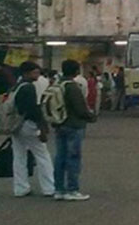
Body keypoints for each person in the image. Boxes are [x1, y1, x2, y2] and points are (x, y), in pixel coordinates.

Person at [53, 59, 96, 201]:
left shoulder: (58, 85)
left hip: (60, 123)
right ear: (77, 71)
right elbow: (80, 108)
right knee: (73, 157)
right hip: (74, 125)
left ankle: (59, 189)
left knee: (60, 157)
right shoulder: (73, 87)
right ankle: (72, 189)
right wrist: (91, 116)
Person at [11, 61, 55, 198]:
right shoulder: (29, 88)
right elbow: (33, 110)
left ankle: (20, 187)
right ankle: (49, 187)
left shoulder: (16, 87)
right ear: (26, 73)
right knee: (42, 155)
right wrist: (42, 127)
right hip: (29, 124)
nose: (37, 74)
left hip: (16, 124)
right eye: (35, 72)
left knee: (19, 156)